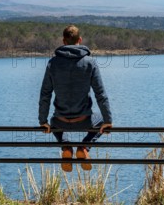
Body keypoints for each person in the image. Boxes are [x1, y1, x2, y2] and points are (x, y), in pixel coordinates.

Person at [39, 25, 113, 172]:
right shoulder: (90, 62)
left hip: (60, 121)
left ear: (63, 41)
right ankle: (84, 147)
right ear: (80, 40)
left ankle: (66, 146)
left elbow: (45, 94)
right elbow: (100, 94)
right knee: (101, 121)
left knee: (52, 121)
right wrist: (108, 120)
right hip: (84, 120)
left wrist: (43, 121)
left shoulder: (52, 63)